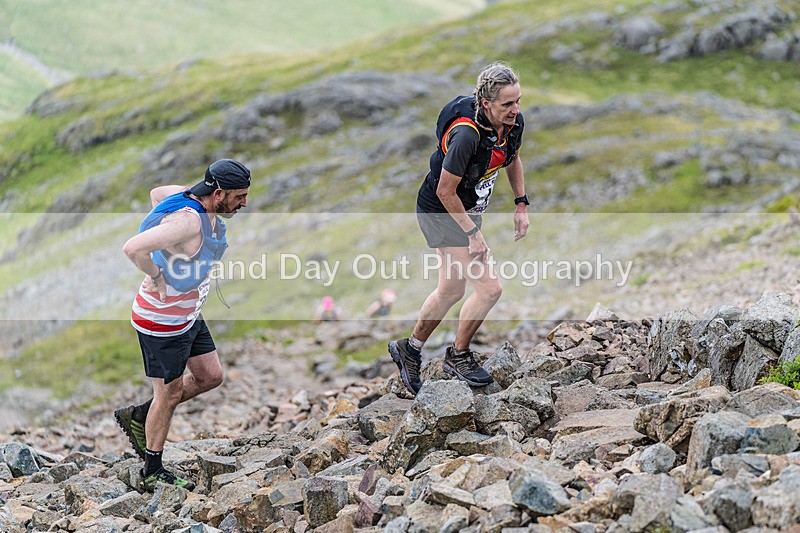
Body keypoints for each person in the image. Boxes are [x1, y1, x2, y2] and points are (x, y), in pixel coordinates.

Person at [388, 62, 529, 396]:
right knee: (489, 288)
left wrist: (521, 202)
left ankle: (410, 349)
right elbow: (445, 191)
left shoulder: (512, 124)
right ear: (486, 103)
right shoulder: (467, 135)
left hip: (464, 211)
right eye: (507, 104)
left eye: (518, 101)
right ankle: (458, 355)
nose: (515, 110)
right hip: (441, 211)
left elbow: (512, 158)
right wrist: (473, 235)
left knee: (451, 290)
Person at [114, 159, 250, 491]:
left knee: (210, 376)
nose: (244, 203)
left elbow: (156, 193)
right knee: (169, 394)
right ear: (218, 193)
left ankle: (142, 415)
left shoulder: (190, 196)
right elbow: (133, 247)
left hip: (187, 317)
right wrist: (157, 274)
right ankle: (152, 469)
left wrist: (170, 249)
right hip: (162, 322)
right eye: (239, 196)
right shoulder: (189, 222)